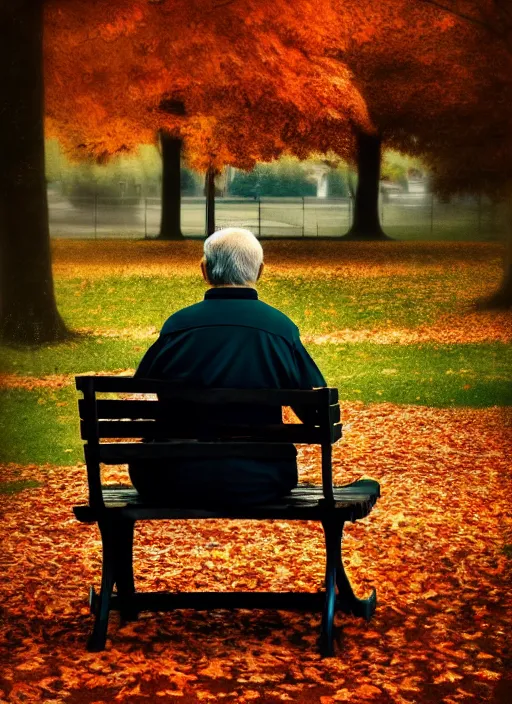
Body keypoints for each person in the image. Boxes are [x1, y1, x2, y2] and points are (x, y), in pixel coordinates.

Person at [129, 227, 326, 507]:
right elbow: (313, 414)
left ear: (204, 270)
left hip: (168, 477)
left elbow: (143, 387)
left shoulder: (177, 326)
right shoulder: (280, 329)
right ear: (259, 271)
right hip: (261, 477)